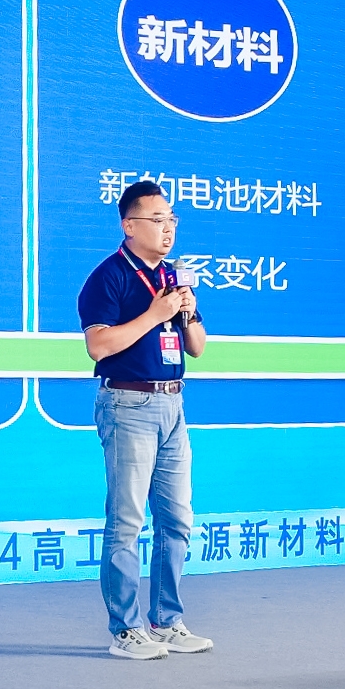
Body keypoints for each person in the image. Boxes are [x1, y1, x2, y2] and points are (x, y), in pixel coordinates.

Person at [79, 182, 215, 661]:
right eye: (157, 220)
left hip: (173, 404)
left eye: (171, 220)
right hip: (128, 404)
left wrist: (187, 312)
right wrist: (155, 315)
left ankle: (167, 620)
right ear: (129, 225)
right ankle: (125, 629)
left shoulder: (174, 280)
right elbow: (98, 346)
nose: (168, 228)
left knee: (177, 518)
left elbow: (197, 348)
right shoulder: (109, 277)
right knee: (127, 521)